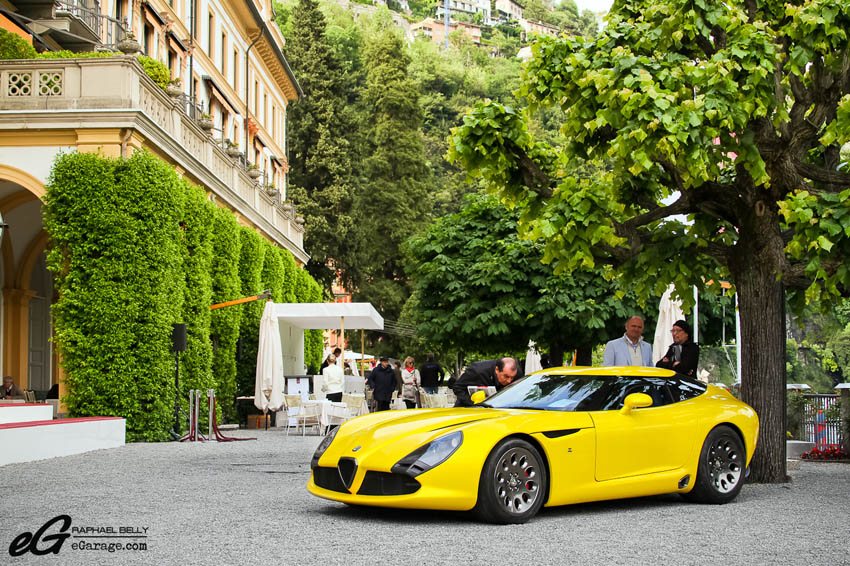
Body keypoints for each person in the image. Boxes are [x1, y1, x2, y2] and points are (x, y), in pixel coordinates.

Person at [452, 358, 518, 407]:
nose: (509, 381)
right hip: (467, 410)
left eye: (512, 377)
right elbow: (457, 387)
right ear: (497, 370)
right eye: (506, 376)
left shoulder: (517, 374)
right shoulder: (477, 371)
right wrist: (473, 403)